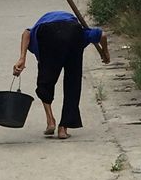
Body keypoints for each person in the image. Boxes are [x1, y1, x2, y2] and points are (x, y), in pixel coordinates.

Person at [13, 11, 110, 139]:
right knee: (73, 83)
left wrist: (22, 58)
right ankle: (63, 128)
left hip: (48, 33)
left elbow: (26, 33)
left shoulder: (39, 32)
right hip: (73, 32)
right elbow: (102, 35)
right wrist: (105, 52)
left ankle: (50, 121)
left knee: (45, 83)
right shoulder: (82, 33)